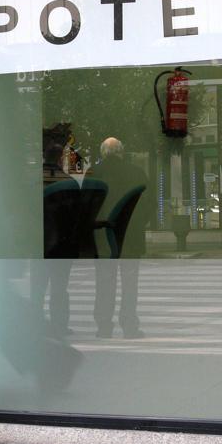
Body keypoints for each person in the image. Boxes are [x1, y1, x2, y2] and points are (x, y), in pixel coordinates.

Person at [87, 137, 149, 339]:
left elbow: (88, 207)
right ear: (121, 152)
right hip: (130, 237)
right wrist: (138, 225)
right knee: (130, 283)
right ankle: (129, 325)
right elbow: (147, 204)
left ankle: (104, 326)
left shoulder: (94, 173)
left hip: (104, 237)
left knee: (104, 282)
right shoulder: (136, 172)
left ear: (103, 153)